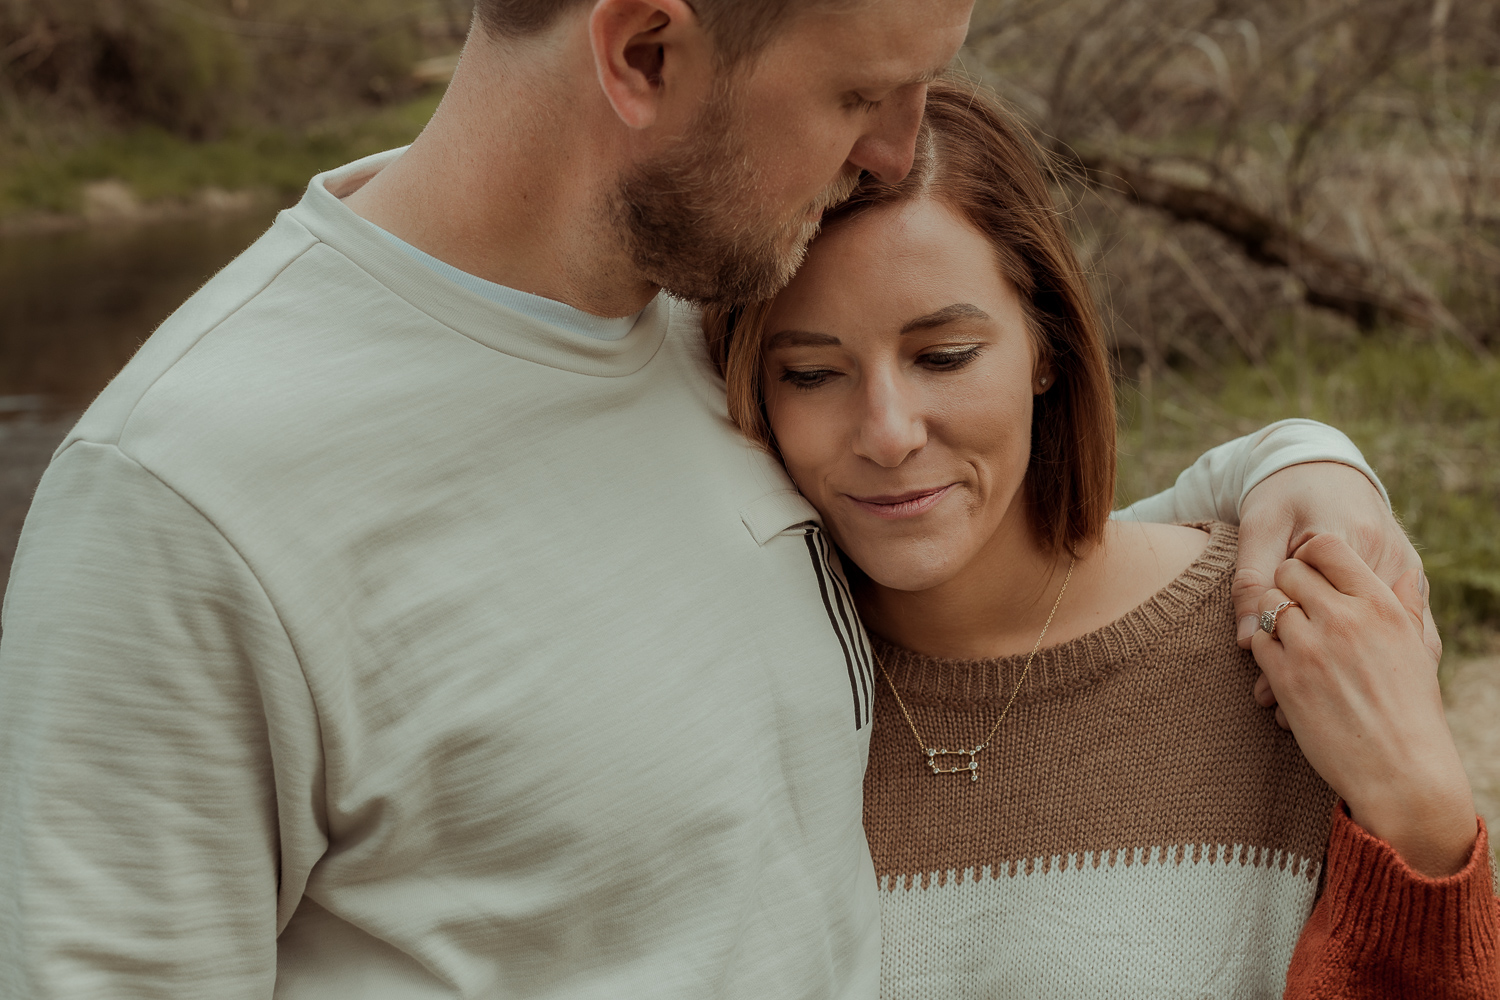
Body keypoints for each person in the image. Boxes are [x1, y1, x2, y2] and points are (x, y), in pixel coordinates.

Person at [0, 3, 1440, 997]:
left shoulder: (723, 330)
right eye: (861, 95)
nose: (895, 151)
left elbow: (1015, 519)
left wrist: (1304, 461)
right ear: (642, 52)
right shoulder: (188, 506)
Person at [705, 79, 1499, 997]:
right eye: (810, 373)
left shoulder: (1278, 653)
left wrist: (1426, 829)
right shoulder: (743, 695)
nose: (887, 431)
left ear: (1046, 345)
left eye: (945, 357)